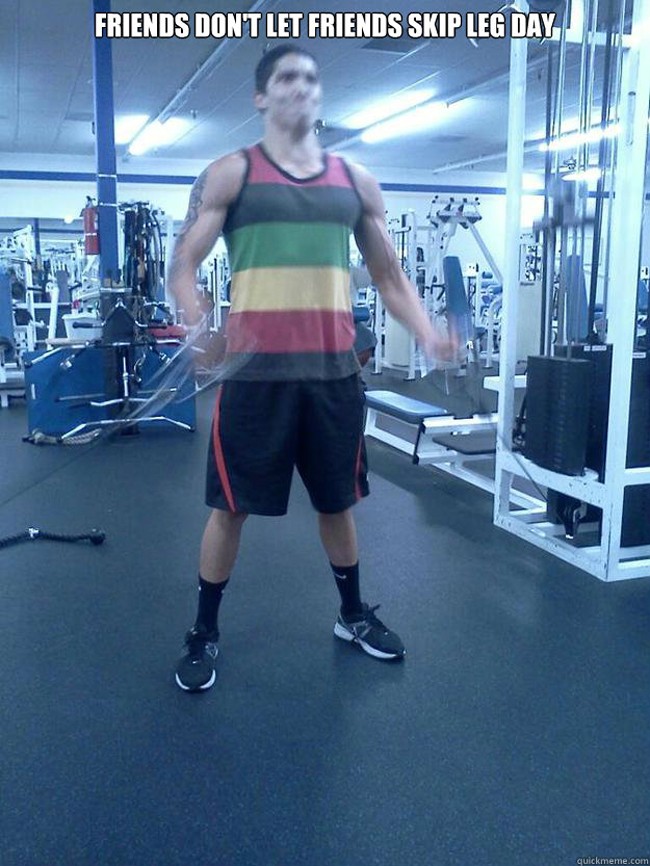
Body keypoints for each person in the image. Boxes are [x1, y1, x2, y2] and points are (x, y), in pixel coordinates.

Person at [169, 43, 453, 692]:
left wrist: (428, 331)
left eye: (310, 78)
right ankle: (204, 631)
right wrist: (197, 319)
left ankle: (352, 615)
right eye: (286, 78)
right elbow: (184, 262)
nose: (301, 86)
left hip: (332, 378)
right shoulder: (231, 174)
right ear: (261, 96)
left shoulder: (356, 182)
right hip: (255, 379)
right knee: (230, 509)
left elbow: (389, 275)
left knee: (337, 503)